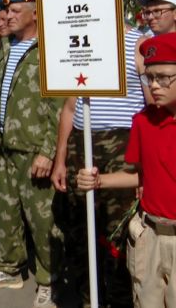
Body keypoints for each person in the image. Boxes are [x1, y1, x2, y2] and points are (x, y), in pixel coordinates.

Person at [0, 0, 64, 308]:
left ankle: (49, 279)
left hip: (33, 148)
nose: (7, 16)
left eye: (15, 12)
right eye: (5, 12)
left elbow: (59, 104)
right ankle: (10, 267)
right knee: (6, 212)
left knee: (41, 218)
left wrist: (48, 151)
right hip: (2, 146)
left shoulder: (49, 50)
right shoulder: (5, 46)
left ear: (36, 13)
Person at [76, 32, 176, 308]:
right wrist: (98, 181)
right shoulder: (143, 121)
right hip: (151, 235)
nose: (154, 85)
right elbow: (142, 175)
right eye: (149, 77)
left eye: (164, 78)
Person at [51, 22, 147, 308]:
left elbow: (152, 102)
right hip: (82, 143)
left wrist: (145, 171)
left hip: (123, 143)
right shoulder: (81, 43)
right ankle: (88, 297)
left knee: (120, 230)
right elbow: (69, 107)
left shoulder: (138, 44)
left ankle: (121, 299)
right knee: (81, 227)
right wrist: (60, 159)